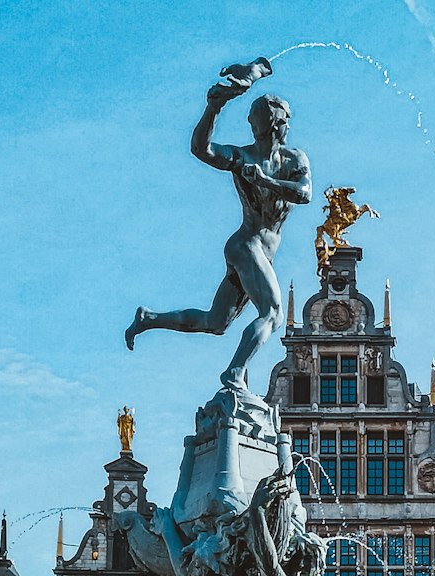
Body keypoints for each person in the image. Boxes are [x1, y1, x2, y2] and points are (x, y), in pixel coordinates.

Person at [125, 58, 312, 387]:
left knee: (215, 322)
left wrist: (266, 181)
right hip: (246, 245)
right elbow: (201, 149)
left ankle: (148, 319)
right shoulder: (243, 158)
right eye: (286, 120)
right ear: (276, 124)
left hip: (260, 252)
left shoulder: (293, 159)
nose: (289, 127)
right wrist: (213, 108)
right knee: (273, 313)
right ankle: (234, 373)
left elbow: (305, 193)